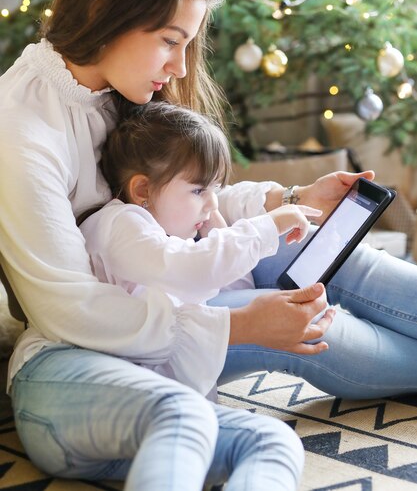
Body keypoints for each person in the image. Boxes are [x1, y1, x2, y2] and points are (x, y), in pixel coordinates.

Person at [0, 0, 415, 489]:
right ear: (102, 13)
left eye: (187, 44)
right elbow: (73, 311)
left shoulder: (116, 89)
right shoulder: (21, 129)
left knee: (321, 249)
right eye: (170, 41)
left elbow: (188, 203)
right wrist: (242, 323)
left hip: (162, 285)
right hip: (107, 333)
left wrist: (290, 199)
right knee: (309, 321)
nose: (181, 66)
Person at [79, 100, 324, 395]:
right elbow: (194, 271)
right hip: (139, 392)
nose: (212, 203)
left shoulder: (165, 234)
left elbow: (228, 290)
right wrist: (268, 226)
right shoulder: (119, 225)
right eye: (198, 190)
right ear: (142, 189)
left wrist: (215, 229)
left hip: (178, 385)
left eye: (214, 189)